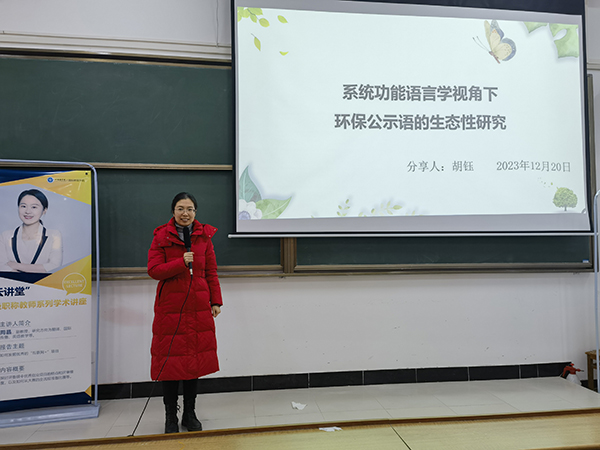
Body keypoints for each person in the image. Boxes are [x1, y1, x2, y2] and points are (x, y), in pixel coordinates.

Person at [147, 192, 223, 434]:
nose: (185, 213)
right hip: (171, 308)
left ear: (195, 212)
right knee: (170, 363)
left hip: (198, 307)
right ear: (173, 211)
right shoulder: (161, 236)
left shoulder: (204, 237)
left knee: (194, 362)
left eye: (190, 209)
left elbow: (211, 271)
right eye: (180, 208)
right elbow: (154, 270)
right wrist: (181, 262)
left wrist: (216, 301)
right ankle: (171, 415)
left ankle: (190, 413)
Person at [0, 189, 62, 273]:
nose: (28, 211)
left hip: (43, 282)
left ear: (44, 210)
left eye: (34, 207)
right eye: (23, 206)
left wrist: (17, 266)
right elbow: (1, 267)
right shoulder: (5, 236)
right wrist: (39, 268)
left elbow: (54, 266)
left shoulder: (54, 235)